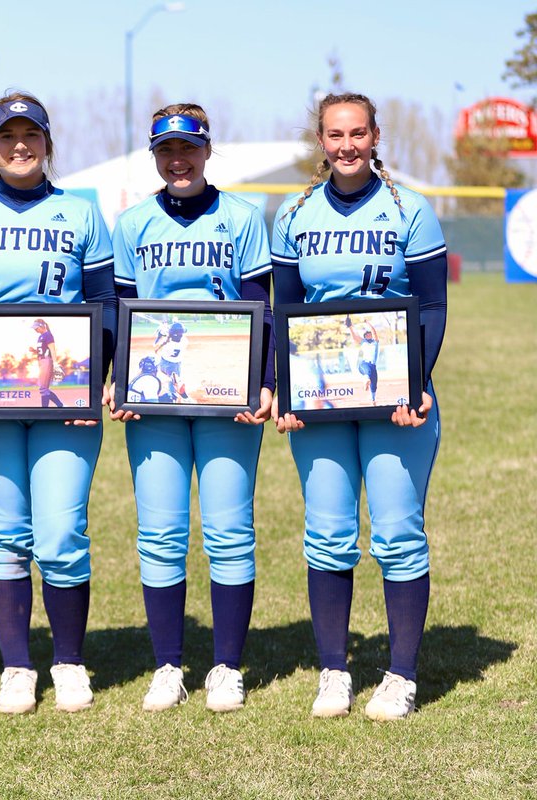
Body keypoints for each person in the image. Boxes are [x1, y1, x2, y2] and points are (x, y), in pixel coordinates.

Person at [0, 92, 116, 714]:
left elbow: (105, 304)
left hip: (64, 391)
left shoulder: (82, 213)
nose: (19, 146)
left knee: (63, 532)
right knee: (6, 535)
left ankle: (68, 662)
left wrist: (100, 373)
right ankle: (17, 665)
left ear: (47, 141)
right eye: (7, 136)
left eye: (30, 135)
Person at [271, 92, 447, 720]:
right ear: (320, 141)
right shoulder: (293, 214)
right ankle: (335, 672)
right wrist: (285, 393)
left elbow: (429, 307)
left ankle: (400, 675)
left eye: (357, 134)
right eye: (334, 135)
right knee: (327, 536)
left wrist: (416, 384)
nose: (346, 145)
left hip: (393, 394)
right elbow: (282, 312)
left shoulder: (411, 210)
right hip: (320, 399)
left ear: (375, 137)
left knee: (398, 534)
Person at [109, 103, 275, 714]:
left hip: (226, 392)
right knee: (160, 534)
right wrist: (116, 380)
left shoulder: (242, 217)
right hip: (155, 397)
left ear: (207, 151)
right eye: (166, 151)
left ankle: (227, 666)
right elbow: (119, 311)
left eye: (188, 148)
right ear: (154, 156)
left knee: (229, 531)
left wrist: (263, 380)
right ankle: (168, 665)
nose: (178, 160)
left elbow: (261, 303)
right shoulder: (132, 223)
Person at [29, 318, 64, 408]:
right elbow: (43, 350)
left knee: (43, 388)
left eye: (36, 327)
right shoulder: (40, 336)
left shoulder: (48, 335)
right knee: (45, 388)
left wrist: (55, 363)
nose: (35, 329)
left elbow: (52, 349)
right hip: (41, 362)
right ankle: (59, 405)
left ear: (42, 326)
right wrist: (34, 351)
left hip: (46, 361)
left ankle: (44, 409)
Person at [347, 317, 380, 403]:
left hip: (373, 366)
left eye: (369, 334)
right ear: (364, 336)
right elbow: (354, 337)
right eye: (366, 334)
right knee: (367, 372)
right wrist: (350, 327)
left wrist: (367, 322)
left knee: (374, 385)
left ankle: (373, 399)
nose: (368, 335)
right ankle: (366, 380)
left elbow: (374, 331)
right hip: (364, 364)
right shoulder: (363, 342)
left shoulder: (375, 342)